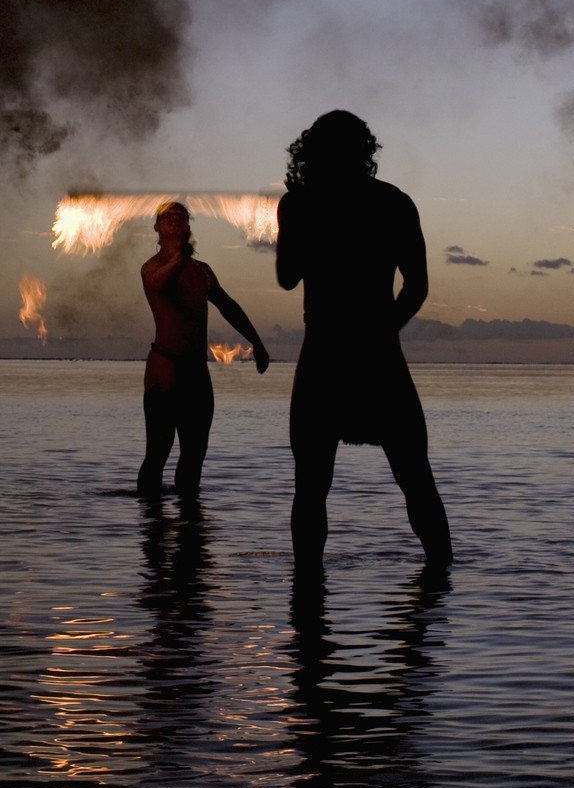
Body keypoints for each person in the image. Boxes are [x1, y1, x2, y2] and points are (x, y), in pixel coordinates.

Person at [277, 111, 452, 572]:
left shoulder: (299, 204)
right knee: (416, 480)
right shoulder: (394, 202)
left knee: (311, 488)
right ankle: (438, 588)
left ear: (310, 152)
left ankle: (308, 601)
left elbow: (285, 277)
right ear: (365, 151)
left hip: (325, 358)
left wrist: (297, 218)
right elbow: (416, 288)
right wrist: (380, 331)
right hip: (377, 357)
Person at [138, 201, 270, 498]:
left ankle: (190, 527)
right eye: (166, 217)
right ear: (156, 228)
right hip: (165, 367)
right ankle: (150, 526)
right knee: (158, 451)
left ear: (187, 226)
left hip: (196, 371)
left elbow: (229, 307)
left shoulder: (203, 271)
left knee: (195, 452)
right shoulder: (153, 266)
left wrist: (257, 341)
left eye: (180, 216)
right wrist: (179, 258)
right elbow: (158, 284)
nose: (173, 219)